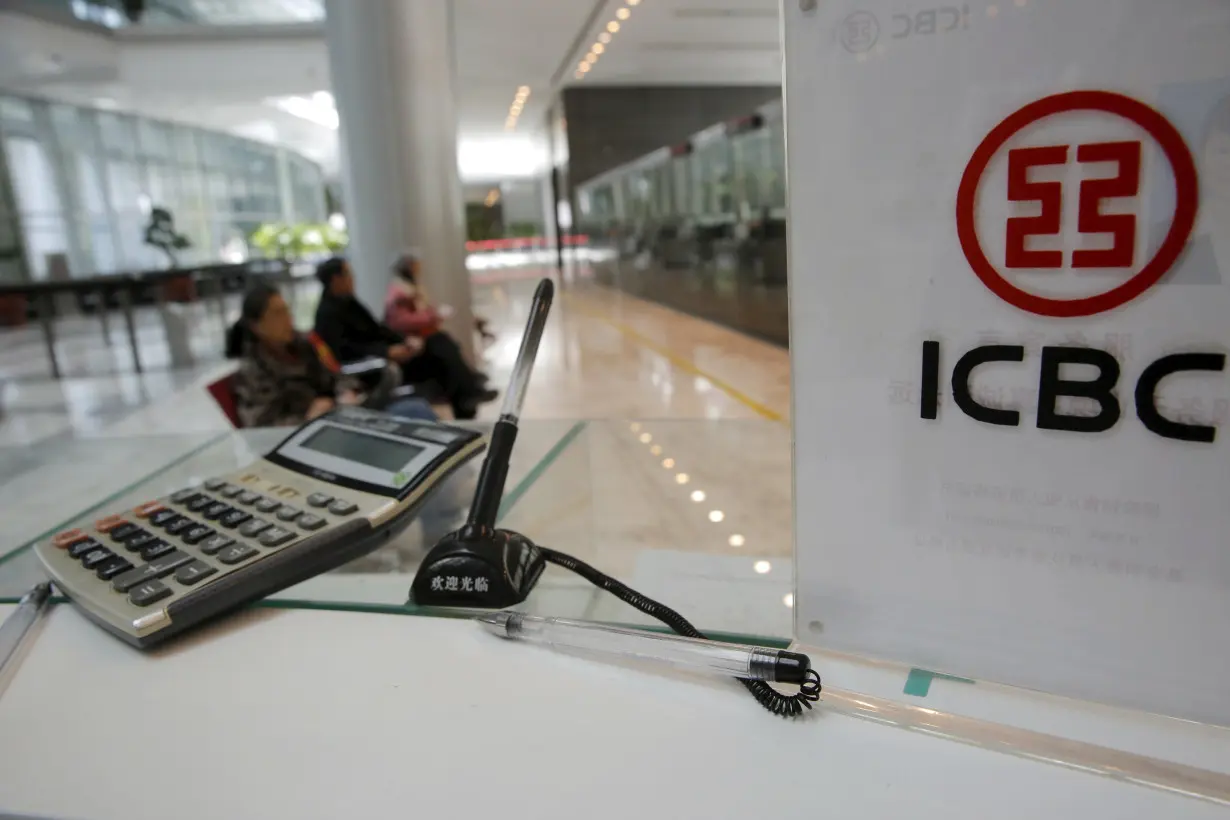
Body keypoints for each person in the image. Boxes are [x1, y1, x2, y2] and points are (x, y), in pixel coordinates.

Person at [226, 283, 436, 428]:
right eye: (277, 314)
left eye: (287, 311)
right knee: (413, 415)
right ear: (256, 326)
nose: (288, 319)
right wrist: (310, 418)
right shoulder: (253, 369)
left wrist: (347, 392)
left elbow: (334, 375)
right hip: (311, 436)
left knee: (416, 409)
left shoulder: (303, 346)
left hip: (339, 416)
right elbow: (261, 427)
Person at [313, 256, 495, 420]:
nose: (353, 279)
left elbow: (378, 329)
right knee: (438, 354)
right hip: (374, 367)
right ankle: (467, 395)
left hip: (386, 356)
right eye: (348, 274)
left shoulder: (349, 303)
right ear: (336, 279)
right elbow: (345, 350)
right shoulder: (328, 313)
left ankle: (468, 392)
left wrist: (403, 342)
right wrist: (387, 352)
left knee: (439, 340)